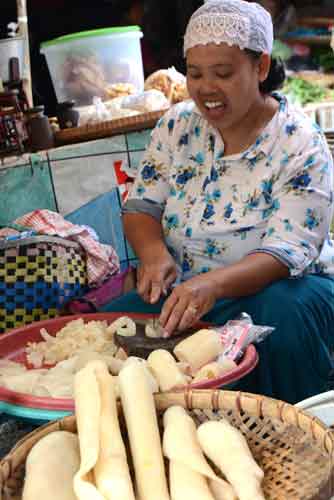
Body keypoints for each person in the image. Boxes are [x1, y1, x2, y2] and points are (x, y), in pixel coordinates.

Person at [105, 0, 334, 405]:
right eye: (195, 73)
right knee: (112, 328)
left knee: (282, 314)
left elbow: (288, 250)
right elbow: (141, 206)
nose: (206, 88)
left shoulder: (300, 141)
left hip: (286, 288)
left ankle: (302, 433)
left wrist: (212, 284)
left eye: (223, 73)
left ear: (260, 67)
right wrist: (155, 255)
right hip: (189, 290)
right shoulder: (176, 126)